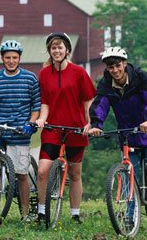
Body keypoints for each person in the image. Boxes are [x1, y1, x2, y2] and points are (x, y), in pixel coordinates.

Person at [88, 46, 147, 233]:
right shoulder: (106, 83)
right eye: (110, 67)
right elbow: (100, 105)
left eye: (118, 65)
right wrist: (96, 124)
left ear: (125, 64)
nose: (115, 70)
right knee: (128, 177)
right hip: (128, 135)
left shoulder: (140, 78)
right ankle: (129, 217)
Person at [35, 32, 96, 224]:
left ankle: (75, 214)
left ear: (67, 50)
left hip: (76, 129)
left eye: (60, 47)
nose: (57, 50)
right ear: (49, 51)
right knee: (42, 171)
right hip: (52, 129)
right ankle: (42, 212)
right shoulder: (44, 73)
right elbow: (45, 102)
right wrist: (42, 120)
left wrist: (90, 122)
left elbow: (89, 100)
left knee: (75, 173)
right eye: (53, 47)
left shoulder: (79, 72)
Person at [0, 40, 41, 223]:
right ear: (2, 59)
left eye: (14, 57)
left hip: (19, 133)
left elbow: (36, 106)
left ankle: (24, 215)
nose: (11, 61)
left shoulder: (30, 78)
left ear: (19, 58)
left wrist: (31, 123)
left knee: (21, 174)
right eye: (8, 58)